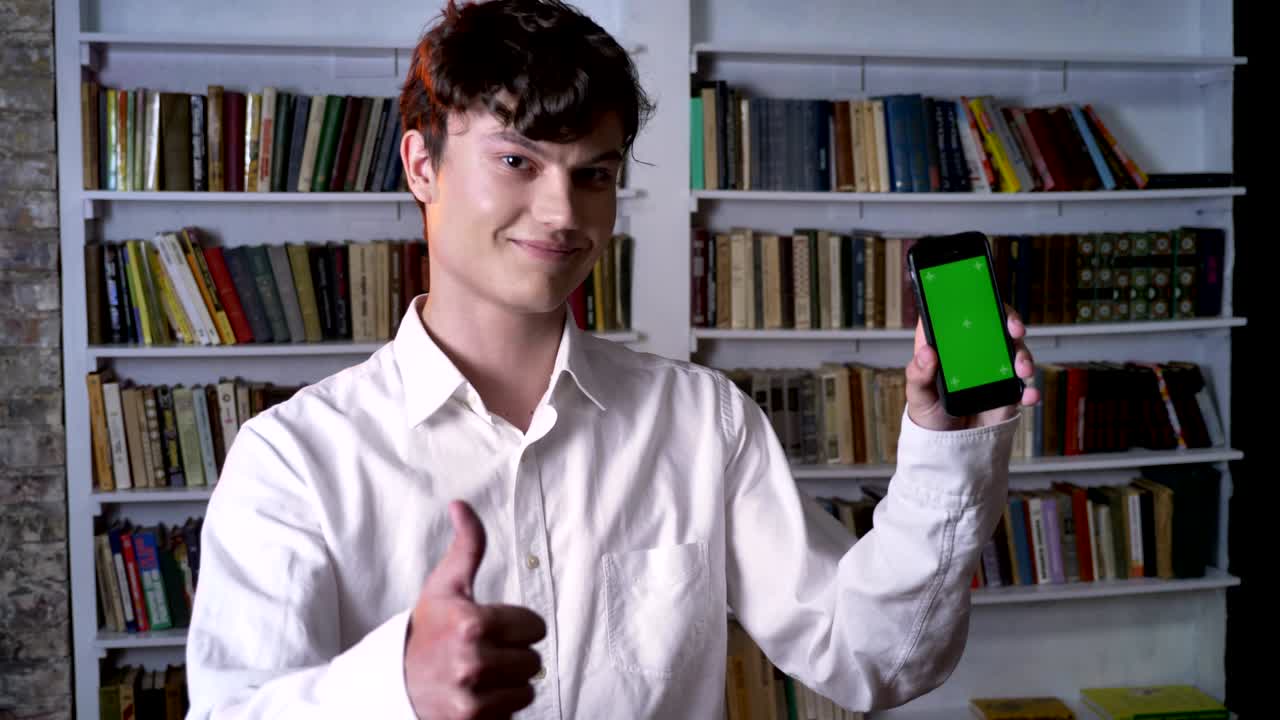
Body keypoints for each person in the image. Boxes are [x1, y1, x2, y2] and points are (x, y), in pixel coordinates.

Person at [184, 0, 1040, 718]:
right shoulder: (292, 458)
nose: (563, 213)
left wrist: (948, 448)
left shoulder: (704, 421)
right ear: (421, 166)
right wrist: (394, 688)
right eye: (516, 161)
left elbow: (874, 659)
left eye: (594, 175)